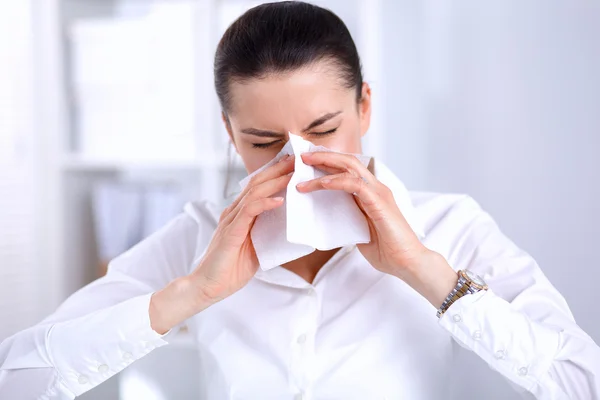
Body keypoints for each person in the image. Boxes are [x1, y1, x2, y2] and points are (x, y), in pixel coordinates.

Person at [1, 2, 599, 399]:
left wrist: (425, 270)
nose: (298, 162)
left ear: (364, 106)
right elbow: (18, 377)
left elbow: (580, 380)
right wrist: (194, 293)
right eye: (263, 141)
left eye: (323, 129)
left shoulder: (449, 225)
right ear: (229, 132)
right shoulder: (198, 237)